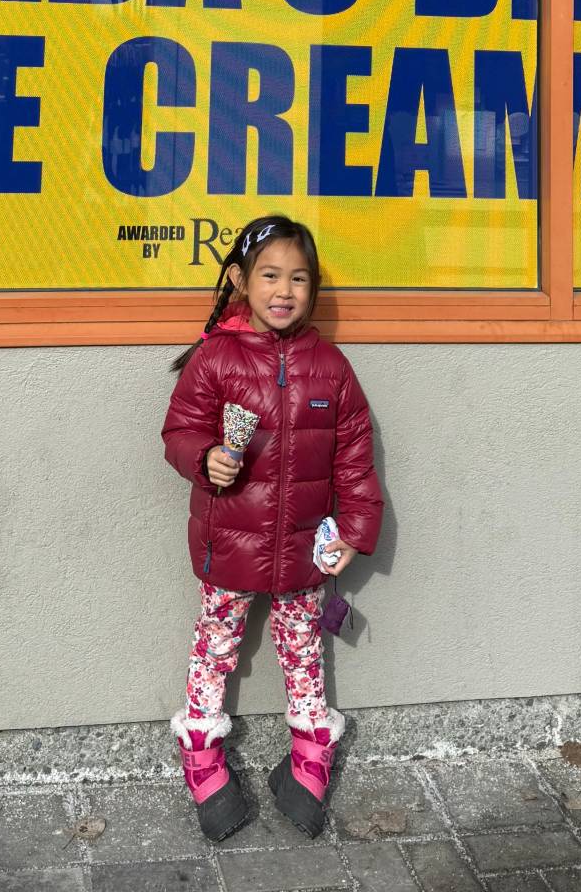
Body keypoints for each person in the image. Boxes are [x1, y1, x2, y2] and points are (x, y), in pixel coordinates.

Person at [161, 214, 384, 843]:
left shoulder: (330, 367)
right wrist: (204, 459)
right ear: (239, 280)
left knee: (304, 652)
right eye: (270, 276)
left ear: (312, 291)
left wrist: (355, 529)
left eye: (299, 279)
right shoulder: (215, 358)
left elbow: (354, 456)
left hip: (304, 549)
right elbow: (179, 432)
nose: (284, 291)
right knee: (215, 646)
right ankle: (202, 756)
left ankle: (310, 760)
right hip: (228, 542)